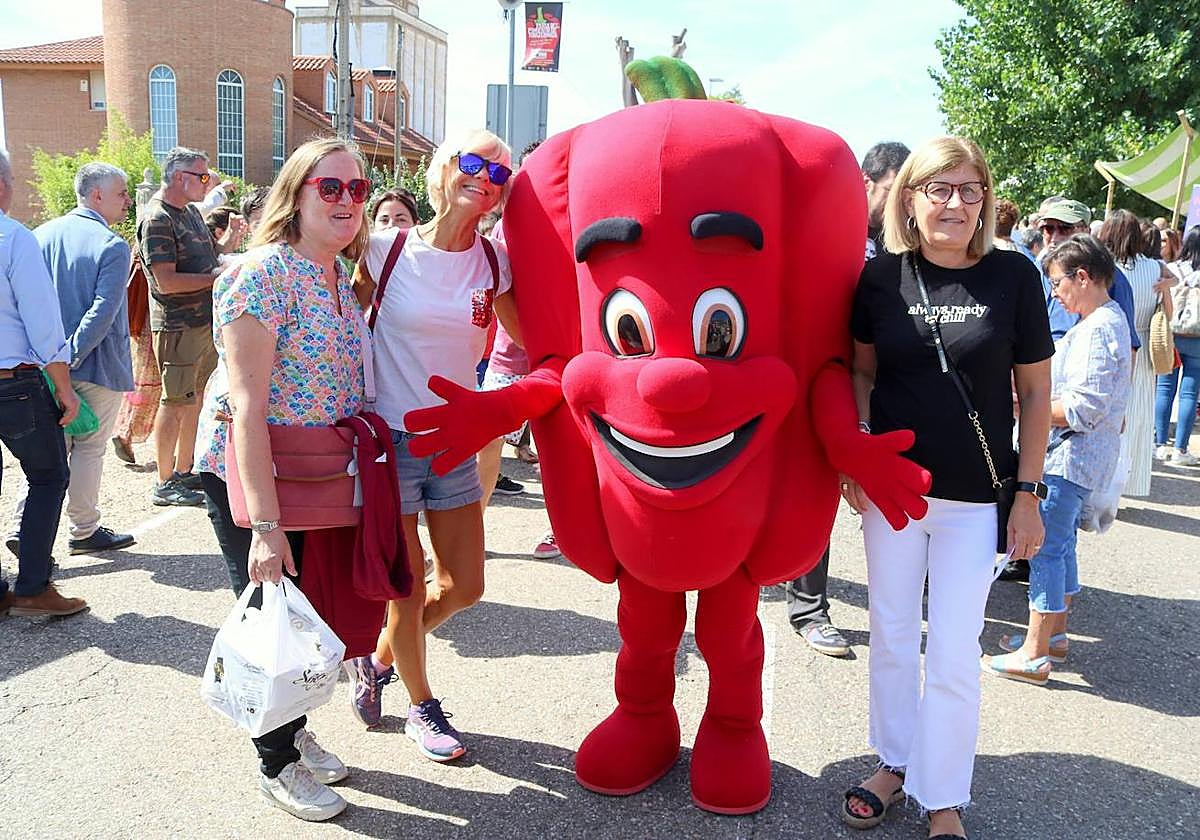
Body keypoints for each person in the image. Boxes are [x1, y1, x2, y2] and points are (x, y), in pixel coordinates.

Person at [840, 136, 1052, 839]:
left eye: (969, 189)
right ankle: (896, 763)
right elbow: (861, 373)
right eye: (939, 189)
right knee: (894, 636)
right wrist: (859, 455)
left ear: (986, 200)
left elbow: (1034, 386)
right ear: (910, 199)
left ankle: (944, 796)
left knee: (956, 650)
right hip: (896, 492)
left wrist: (1030, 492)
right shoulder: (879, 280)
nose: (955, 203)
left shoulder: (1014, 276)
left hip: (974, 499)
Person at [195, 137, 372, 821]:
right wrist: (265, 528)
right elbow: (246, 406)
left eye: (357, 189)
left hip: (313, 471)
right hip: (256, 470)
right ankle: (276, 763)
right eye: (330, 187)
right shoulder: (265, 271)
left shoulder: (337, 276)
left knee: (306, 617)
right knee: (272, 616)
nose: (347, 201)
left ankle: (292, 734)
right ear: (294, 196)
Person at [345, 130, 521, 760]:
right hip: (391, 436)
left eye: (499, 174)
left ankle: (380, 659)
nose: (484, 178)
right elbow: (339, 311)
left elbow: (530, 340)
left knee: (466, 584)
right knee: (408, 586)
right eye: (472, 164)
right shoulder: (386, 248)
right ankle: (423, 708)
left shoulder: (495, 262)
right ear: (444, 170)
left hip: (455, 439)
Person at [984, 235, 1131, 684]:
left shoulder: (1098, 327)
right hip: (1078, 459)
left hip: (1068, 459)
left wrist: (1024, 406)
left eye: (1058, 284)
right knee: (1060, 547)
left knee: (1044, 549)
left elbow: (1082, 409)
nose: (1055, 295)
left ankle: (1035, 652)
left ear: (1082, 277)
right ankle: (1055, 636)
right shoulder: (1107, 321)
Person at [11, 163, 136, 557]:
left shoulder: (38, 236)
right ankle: (84, 528)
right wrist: (68, 355)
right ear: (96, 195)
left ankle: (22, 525)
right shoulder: (112, 245)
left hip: (43, 366)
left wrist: (52, 360)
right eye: (121, 193)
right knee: (88, 448)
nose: (128, 200)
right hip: (93, 366)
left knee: (46, 453)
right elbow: (104, 310)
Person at [0, 148, 85, 617]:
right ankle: (32, 585)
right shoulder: (13, 238)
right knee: (48, 476)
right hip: (13, 382)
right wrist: (65, 387)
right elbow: (43, 323)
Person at [138, 147, 226, 507]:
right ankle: (164, 481)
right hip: (177, 326)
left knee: (195, 401)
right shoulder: (157, 218)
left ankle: (185, 470)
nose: (208, 182)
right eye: (201, 176)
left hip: (200, 323)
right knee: (174, 403)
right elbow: (166, 282)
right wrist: (214, 278)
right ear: (179, 178)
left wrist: (227, 250)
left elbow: (207, 256)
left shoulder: (188, 211)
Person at [1097, 210, 1174, 497]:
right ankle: (1131, 481)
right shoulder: (1155, 268)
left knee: (1109, 413)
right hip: (1143, 343)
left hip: (1110, 341)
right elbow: (1168, 311)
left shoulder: (1105, 266)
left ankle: (1103, 481)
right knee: (1139, 416)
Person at [1156, 226, 1200, 465]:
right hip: (1197, 337)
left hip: (1170, 334)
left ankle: (1160, 444)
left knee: (1164, 388)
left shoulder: (1172, 269)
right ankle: (1181, 449)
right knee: (1190, 393)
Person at [862, 141, 910, 261]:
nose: (899, 201)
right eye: (892, 191)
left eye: (906, 194)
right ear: (866, 182)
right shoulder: (838, 228)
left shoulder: (908, 239)